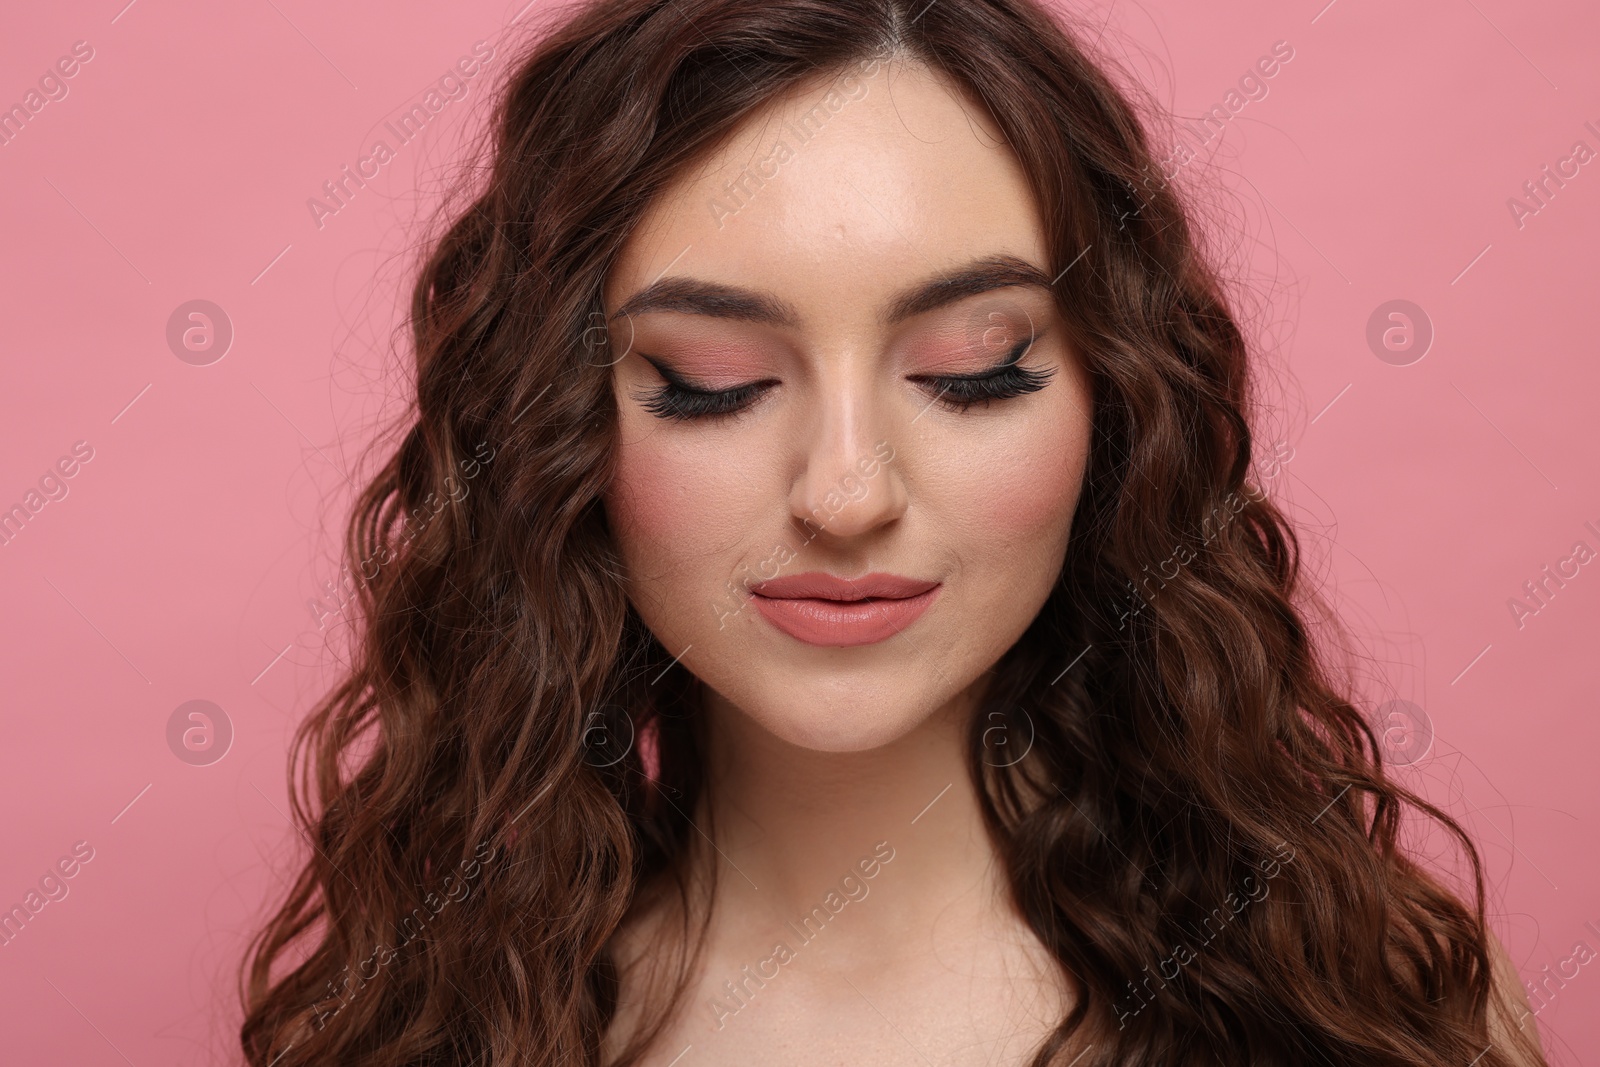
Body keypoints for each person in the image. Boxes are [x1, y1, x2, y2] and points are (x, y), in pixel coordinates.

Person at [238, 1, 1547, 1064]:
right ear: (554, 432)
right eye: (710, 380)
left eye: (975, 369)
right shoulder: (434, 1035)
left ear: (1116, 408)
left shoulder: (1376, 1011)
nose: (848, 494)